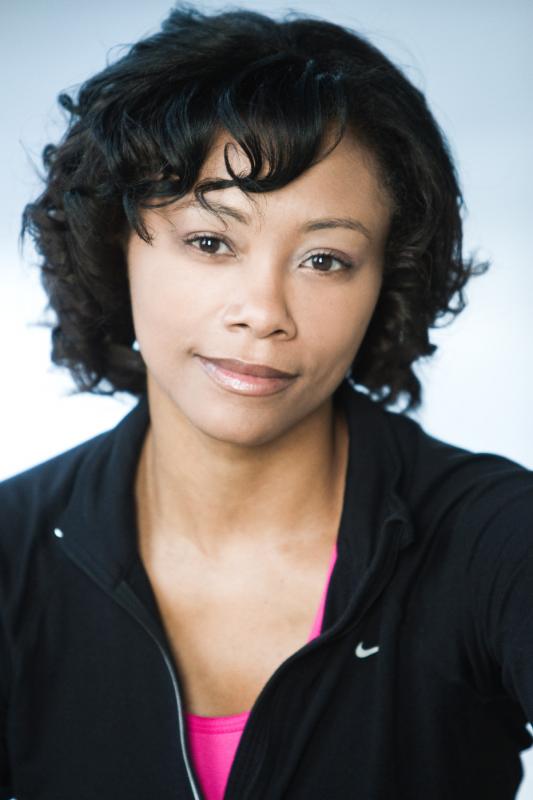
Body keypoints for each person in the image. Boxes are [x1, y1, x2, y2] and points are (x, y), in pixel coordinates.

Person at [1, 4, 532, 799]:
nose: (263, 312)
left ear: (385, 281)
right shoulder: (12, 552)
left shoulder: (496, 539)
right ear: (117, 246)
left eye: (324, 259)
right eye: (210, 241)